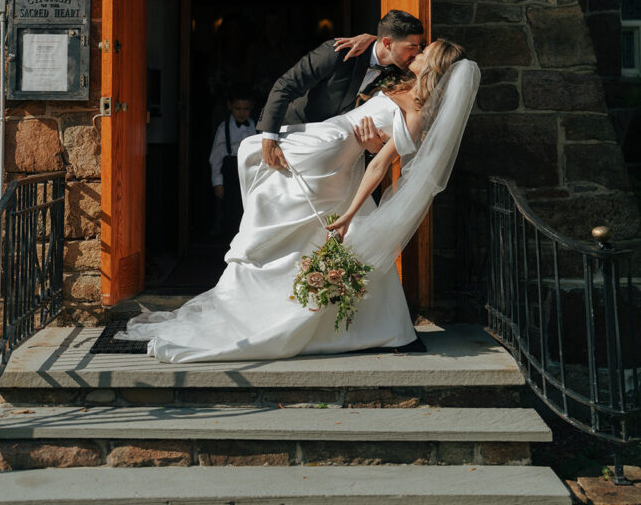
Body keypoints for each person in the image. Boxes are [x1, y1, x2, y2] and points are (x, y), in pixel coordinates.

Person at [119, 40, 480, 363]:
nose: (417, 52)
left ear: (434, 68)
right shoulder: (404, 89)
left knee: (285, 213)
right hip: (332, 150)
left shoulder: (415, 113)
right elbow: (382, 73)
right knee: (302, 228)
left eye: (425, 52)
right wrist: (372, 40)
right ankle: (364, 324)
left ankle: (258, 309)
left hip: (330, 151)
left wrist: (351, 214)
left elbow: (380, 168)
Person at [258, 9, 426, 170]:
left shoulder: (401, 72)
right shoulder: (338, 52)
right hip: (293, 135)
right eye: (412, 47)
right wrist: (269, 138)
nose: (416, 53)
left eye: (419, 47)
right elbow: (284, 86)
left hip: (337, 154)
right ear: (387, 43)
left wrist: (376, 145)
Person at [208, 90, 255, 239]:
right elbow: (215, 158)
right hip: (231, 171)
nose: (242, 113)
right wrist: (218, 183)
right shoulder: (224, 128)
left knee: (247, 211)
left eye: (246, 109)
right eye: (238, 109)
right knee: (230, 212)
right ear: (230, 106)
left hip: (249, 173)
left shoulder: (254, 126)